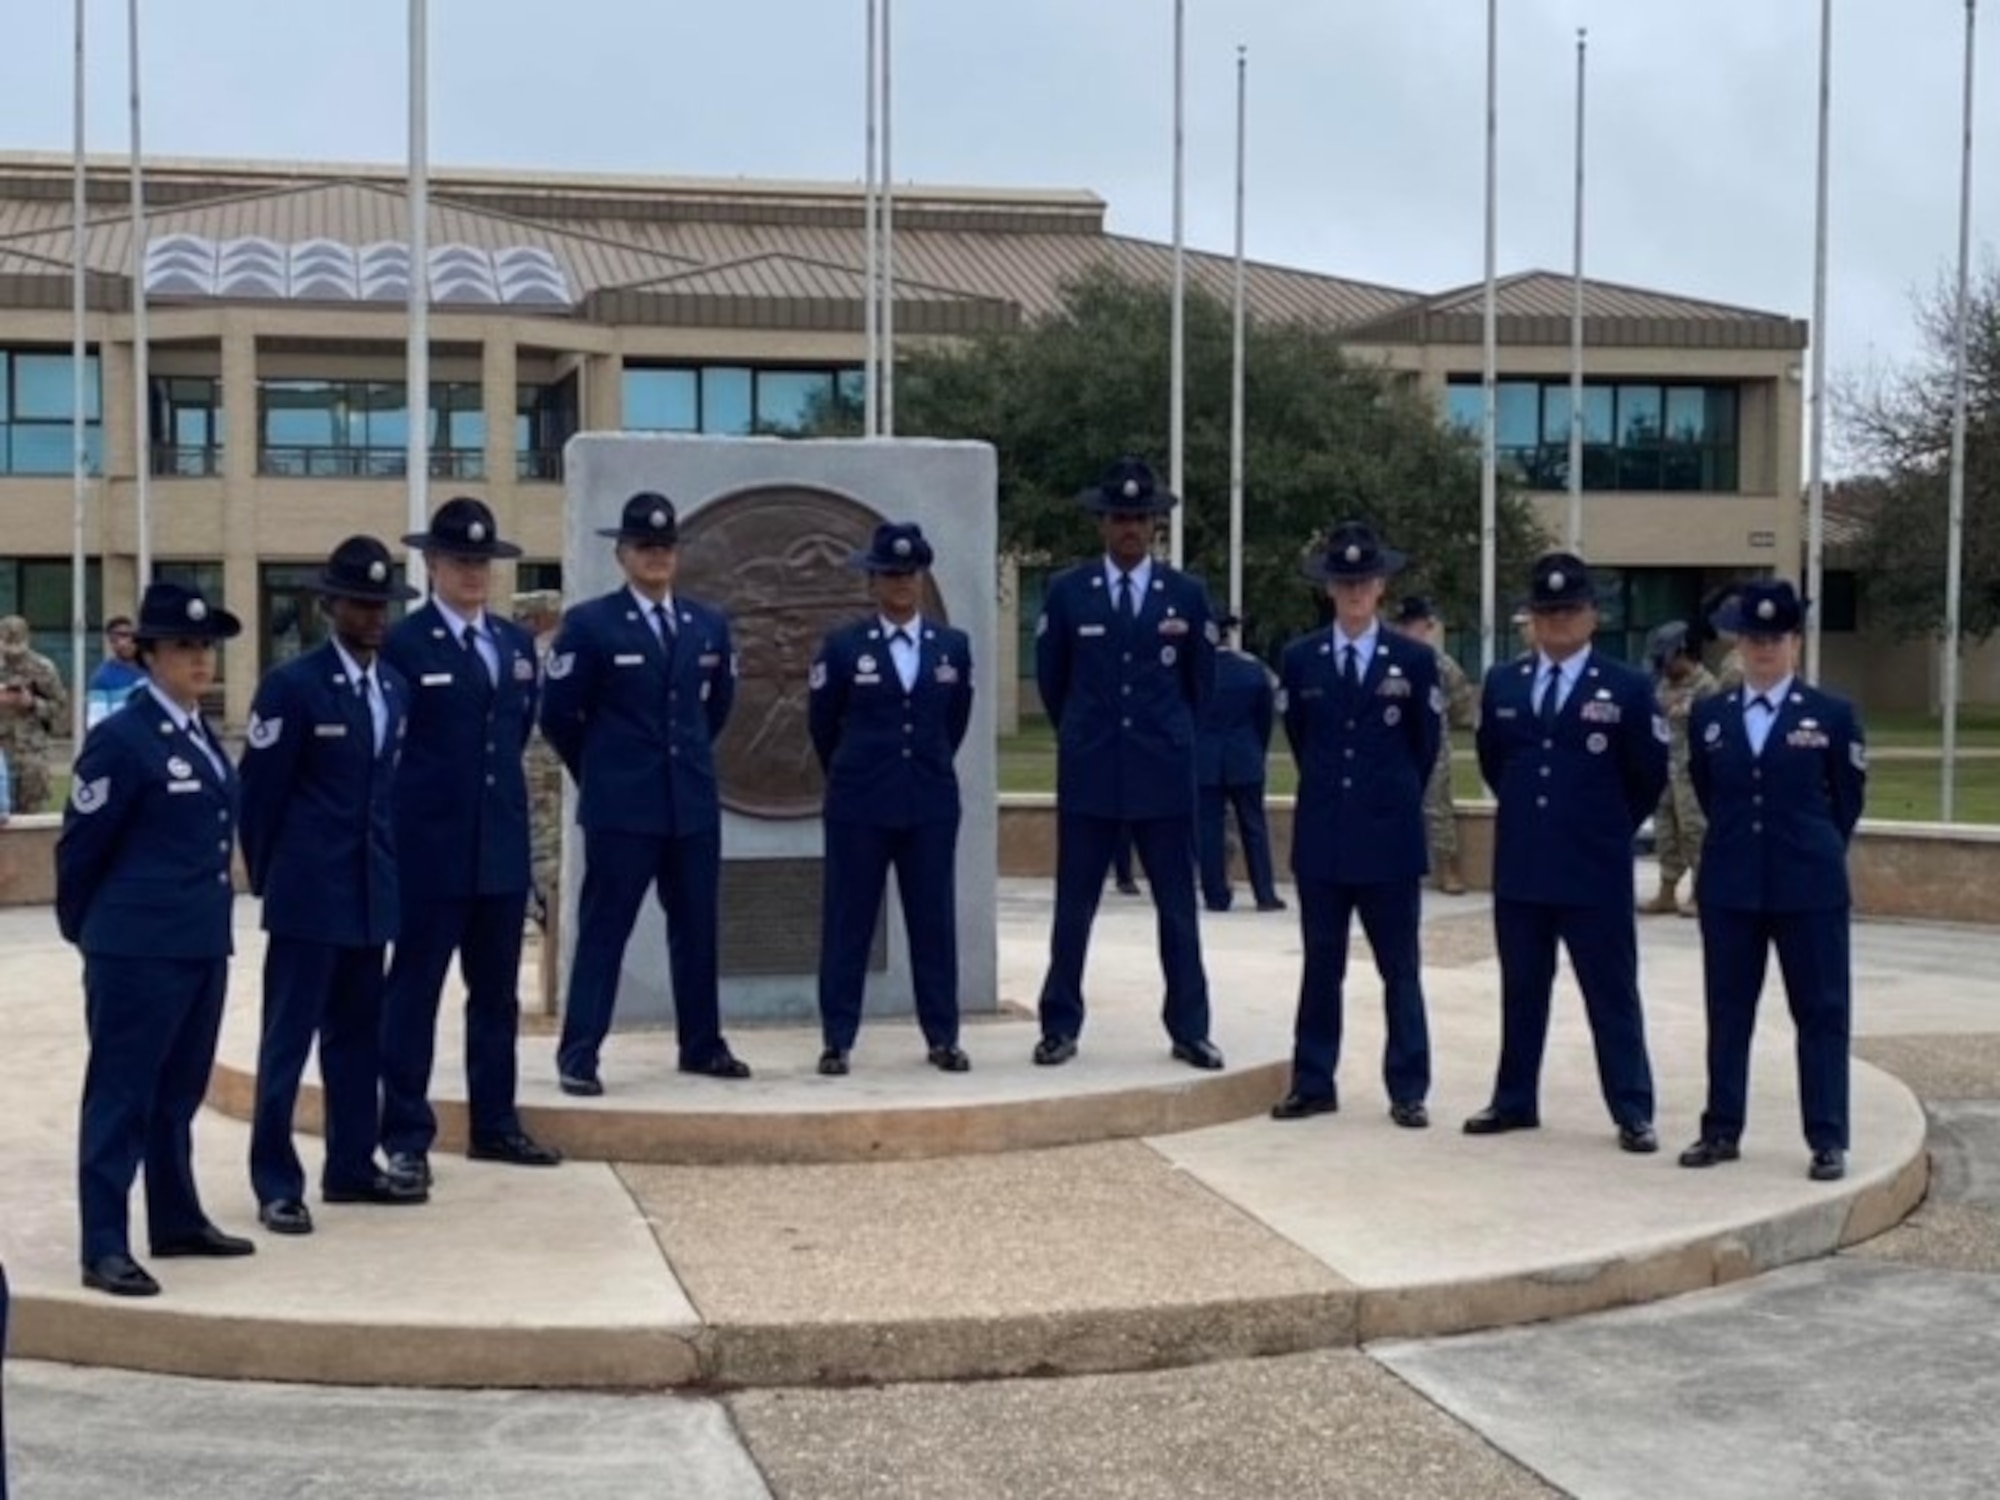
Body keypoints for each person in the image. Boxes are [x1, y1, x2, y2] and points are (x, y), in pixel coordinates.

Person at [56, 581, 254, 1297]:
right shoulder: (122, 739)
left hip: (200, 942)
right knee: (121, 1096)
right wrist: (92, 934)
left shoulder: (199, 731)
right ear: (149, 655)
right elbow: (80, 851)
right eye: (183, 647)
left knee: (178, 1092)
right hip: (136, 948)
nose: (200, 660)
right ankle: (103, 1243)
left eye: (205, 647)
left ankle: (175, 1219)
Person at [240, 535, 426, 1235]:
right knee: (287, 1042)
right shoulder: (292, 687)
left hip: (370, 892)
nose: (375, 616)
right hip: (308, 895)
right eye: (361, 603)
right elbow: (258, 797)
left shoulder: (394, 689)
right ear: (329, 607)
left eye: (383, 604)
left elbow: (386, 793)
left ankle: (351, 1165)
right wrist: (273, 879)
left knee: (356, 1040)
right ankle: (275, 1181)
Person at [377, 498, 562, 1191]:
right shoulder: (406, 644)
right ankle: (404, 1135)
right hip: (429, 848)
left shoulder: (513, 645)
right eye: (460, 561)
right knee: (414, 993)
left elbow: (513, 737)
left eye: (482, 562)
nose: (473, 573)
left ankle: (495, 1124)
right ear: (431, 566)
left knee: (496, 996)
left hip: (499, 848)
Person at [538, 490, 748, 1094]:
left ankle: (702, 1044)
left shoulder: (706, 623)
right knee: (606, 931)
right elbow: (559, 716)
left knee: (698, 929)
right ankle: (579, 1054)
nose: (657, 557)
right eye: (644, 547)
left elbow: (717, 709)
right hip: (622, 811)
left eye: (665, 547)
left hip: (690, 806)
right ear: (623, 554)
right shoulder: (591, 624)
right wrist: (602, 774)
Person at [1465, 551, 1669, 1153]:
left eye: (1569, 610)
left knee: (1610, 992)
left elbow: (1646, 775)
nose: (1556, 621)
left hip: (1593, 866)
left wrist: (1602, 827)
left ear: (1592, 616)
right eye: (1545, 611)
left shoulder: (1627, 686)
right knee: (1522, 989)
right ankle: (1514, 1099)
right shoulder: (1505, 681)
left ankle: (1632, 1108)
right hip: (1525, 864)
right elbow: (1497, 762)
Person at [1032, 456, 1223, 1070]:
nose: (1130, 528)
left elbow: (1201, 685)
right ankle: (1059, 1024)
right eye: (1119, 517)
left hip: (1162, 773)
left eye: (1140, 518)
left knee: (1176, 908)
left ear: (1155, 525)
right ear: (1103, 524)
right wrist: (1085, 735)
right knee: (1074, 907)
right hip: (1091, 769)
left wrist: (1168, 738)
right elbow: (1053, 682)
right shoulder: (1067, 592)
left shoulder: (1186, 595)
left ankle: (1189, 1028)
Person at [1680, 579, 1866, 1183]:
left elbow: (1845, 802)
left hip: (1807, 886)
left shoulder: (1832, 714)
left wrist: (1806, 850)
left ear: (1795, 643)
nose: (1764, 649)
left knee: (1821, 1012)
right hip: (1732, 884)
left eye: (1776, 638)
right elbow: (1710, 793)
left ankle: (1828, 1137)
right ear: (1738, 643)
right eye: (1754, 638)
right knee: (1729, 1012)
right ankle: (1721, 1129)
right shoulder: (1710, 716)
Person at [1270, 524, 1441, 1127]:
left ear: (1381, 586)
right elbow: (1303, 740)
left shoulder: (1414, 661)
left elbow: (1423, 748)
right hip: (1324, 836)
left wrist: (1384, 801)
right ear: (1329, 589)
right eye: (1343, 582)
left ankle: (1408, 1086)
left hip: (1388, 838)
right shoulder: (1301, 658)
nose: (1354, 592)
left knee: (1400, 968)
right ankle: (1314, 1080)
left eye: (1364, 581)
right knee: (1322, 965)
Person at [808, 521, 975, 1074]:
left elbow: (954, 724)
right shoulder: (843, 646)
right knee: (848, 921)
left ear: (922, 578)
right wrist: (859, 772)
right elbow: (823, 727)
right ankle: (838, 1037)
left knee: (933, 921)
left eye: (910, 573)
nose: (902, 584)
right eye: (890, 574)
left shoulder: (952, 647)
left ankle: (942, 1036)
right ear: (872, 581)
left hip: (927, 802)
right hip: (860, 803)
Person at [1196, 614, 1285, 914]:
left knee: (1209, 829)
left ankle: (1215, 894)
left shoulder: (1196, 673)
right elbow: (1264, 717)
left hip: (1205, 760)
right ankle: (1265, 893)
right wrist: (1255, 749)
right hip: (1245, 756)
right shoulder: (1251, 670)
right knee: (1254, 826)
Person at [1390, 595, 1476, 895]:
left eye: (1411, 625)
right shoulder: (1386, 658)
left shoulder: (1441, 664)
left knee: (1438, 806)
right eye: (1400, 625)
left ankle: (1449, 867)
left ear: (1426, 626)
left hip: (1431, 742)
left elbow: (1461, 703)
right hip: (1392, 743)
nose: (1405, 631)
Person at [1642, 620, 1719, 917]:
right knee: (1665, 830)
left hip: (1691, 771)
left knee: (1694, 830)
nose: (1664, 667)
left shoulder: (1707, 687)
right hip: (1666, 768)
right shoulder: (1662, 685)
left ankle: (1701, 892)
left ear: (1683, 653)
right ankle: (1666, 891)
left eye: (1668, 660)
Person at [513, 588, 567, 1013]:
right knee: (549, 890)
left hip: (537, 795)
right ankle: (550, 987)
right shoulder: (534, 657)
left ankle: (550, 988)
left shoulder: (532, 658)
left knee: (544, 889)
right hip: (546, 795)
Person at [0, 615, 67, 814]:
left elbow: (59, 707)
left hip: (31, 754)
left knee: (32, 819)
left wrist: (32, 704)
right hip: (1, 753)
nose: (13, 655)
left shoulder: (42, 668)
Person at [84, 615, 147, 730]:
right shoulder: (102, 677)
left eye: (127, 636)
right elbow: (96, 723)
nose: (122, 643)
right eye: (115, 639)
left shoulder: (154, 670)